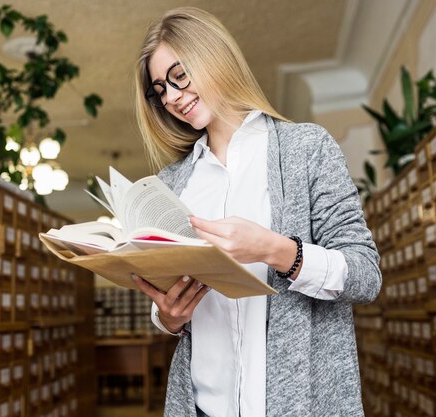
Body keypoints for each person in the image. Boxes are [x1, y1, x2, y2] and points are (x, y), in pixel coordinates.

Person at [130, 7, 381, 417]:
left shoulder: (306, 149)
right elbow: (170, 301)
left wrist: (275, 249)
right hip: (201, 408)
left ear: (214, 57)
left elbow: (366, 275)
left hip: (298, 405)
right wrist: (168, 317)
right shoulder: (172, 183)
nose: (172, 97)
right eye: (160, 89)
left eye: (179, 76)